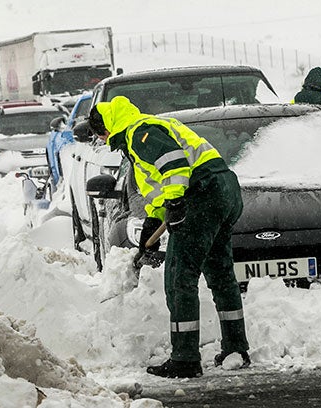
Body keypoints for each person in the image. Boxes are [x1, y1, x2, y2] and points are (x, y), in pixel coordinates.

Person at [88, 96, 250, 379]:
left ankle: (185, 358)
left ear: (107, 127)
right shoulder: (148, 130)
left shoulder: (139, 133)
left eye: (100, 134)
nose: (101, 140)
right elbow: (158, 184)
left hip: (201, 194)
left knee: (179, 277)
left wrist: (175, 203)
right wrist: (153, 219)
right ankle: (236, 347)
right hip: (223, 190)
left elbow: (174, 165)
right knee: (221, 272)